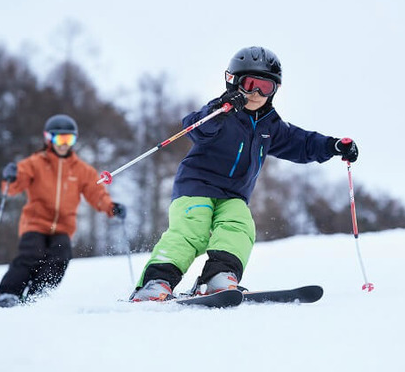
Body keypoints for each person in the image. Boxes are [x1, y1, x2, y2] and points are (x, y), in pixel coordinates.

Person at [129, 46, 359, 301]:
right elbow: (194, 127)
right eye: (250, 84)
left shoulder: (271, 125)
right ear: (235, 82)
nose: (257, 93)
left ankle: (217, 277)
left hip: (233, 195)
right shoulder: (220, 112)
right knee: (191, 232)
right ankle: (155, 282)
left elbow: (301, 143)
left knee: (239, 227)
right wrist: (220, 108)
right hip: (196, 187)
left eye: (266, 87)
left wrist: (333, 146)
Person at [0, 114, 126, 308]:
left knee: (61, 256)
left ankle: (37, 297)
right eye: (59, 139)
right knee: (31, 253)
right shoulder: (35, 163)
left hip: (62, 227)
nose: (64, 144)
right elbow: (12, 187)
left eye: (69, 139)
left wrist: (111, 207)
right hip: (35, 223)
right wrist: (10, 177)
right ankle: (7, 294)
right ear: (49, 138)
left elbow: (96, 193)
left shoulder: (82, 170)